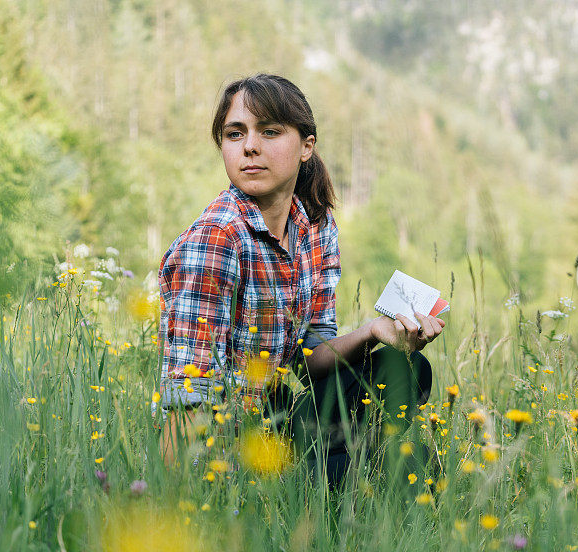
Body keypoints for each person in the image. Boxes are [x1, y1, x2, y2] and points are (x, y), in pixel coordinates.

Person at [155, 73, 445, 483]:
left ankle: (368, 470)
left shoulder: (315, 228)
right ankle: (345, 477)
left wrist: (373, 332)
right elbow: (187, 397)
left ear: (307, 146)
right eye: (235, 134)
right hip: (233, 445)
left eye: (270, 131)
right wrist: (186, 503)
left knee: (407, 369)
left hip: (280, 419)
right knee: (372, 472)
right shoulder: (216, 240)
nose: (250, 146)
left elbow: (311, 363)